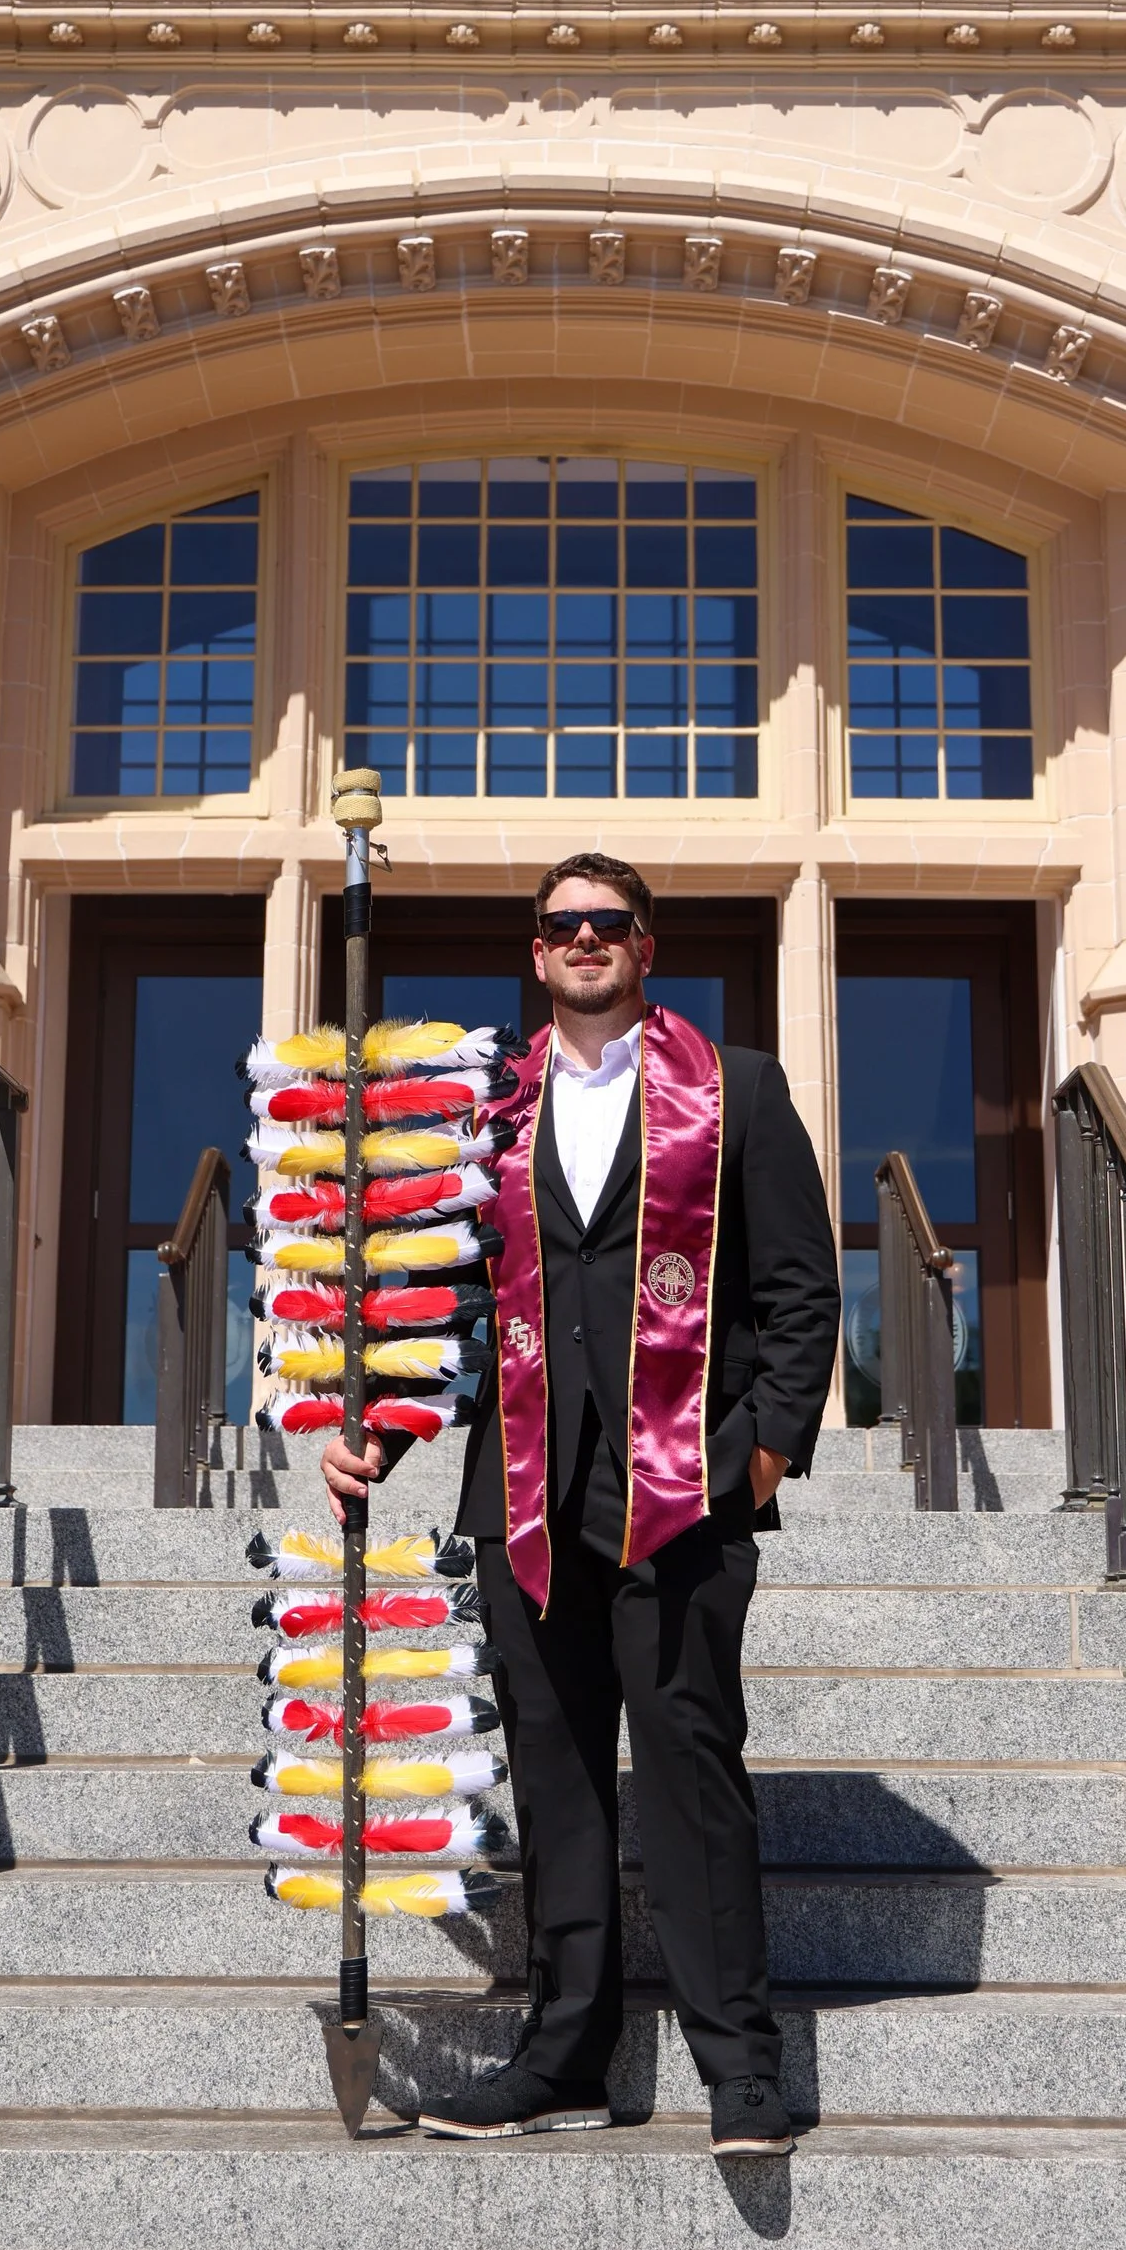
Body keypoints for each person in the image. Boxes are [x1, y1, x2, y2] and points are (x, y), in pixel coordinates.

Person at [322, 853, 841, 2158]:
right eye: (563, 927)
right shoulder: (481, 1113)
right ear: (535, 953)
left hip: (682, 1497)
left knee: (692, 1780)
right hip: (524, 1498)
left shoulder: (739, 1091)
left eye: (608, 923)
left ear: (646, 945)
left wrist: (761, 1458)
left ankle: (742, 2068)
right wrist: (375, 1435)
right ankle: (562, 2055)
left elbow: (800, 1292)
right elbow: (434, 1301)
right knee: (558, 1790)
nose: (586, 941)